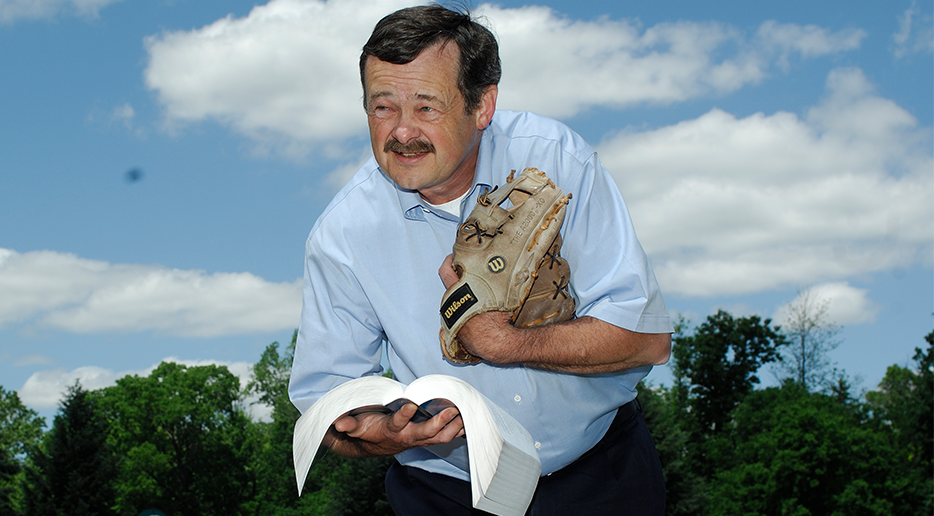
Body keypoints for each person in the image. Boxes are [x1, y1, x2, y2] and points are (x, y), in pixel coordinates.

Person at [288, 4, 673, 515]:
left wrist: (504, 342)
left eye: (427, 107)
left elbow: (646, 339)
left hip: (603, 474)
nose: (402, 132)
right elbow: (329, 401)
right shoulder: (342, 233)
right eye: (382, 107)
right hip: (444, 492)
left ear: (482, 105)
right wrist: (379, 432)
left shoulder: (557, 161)